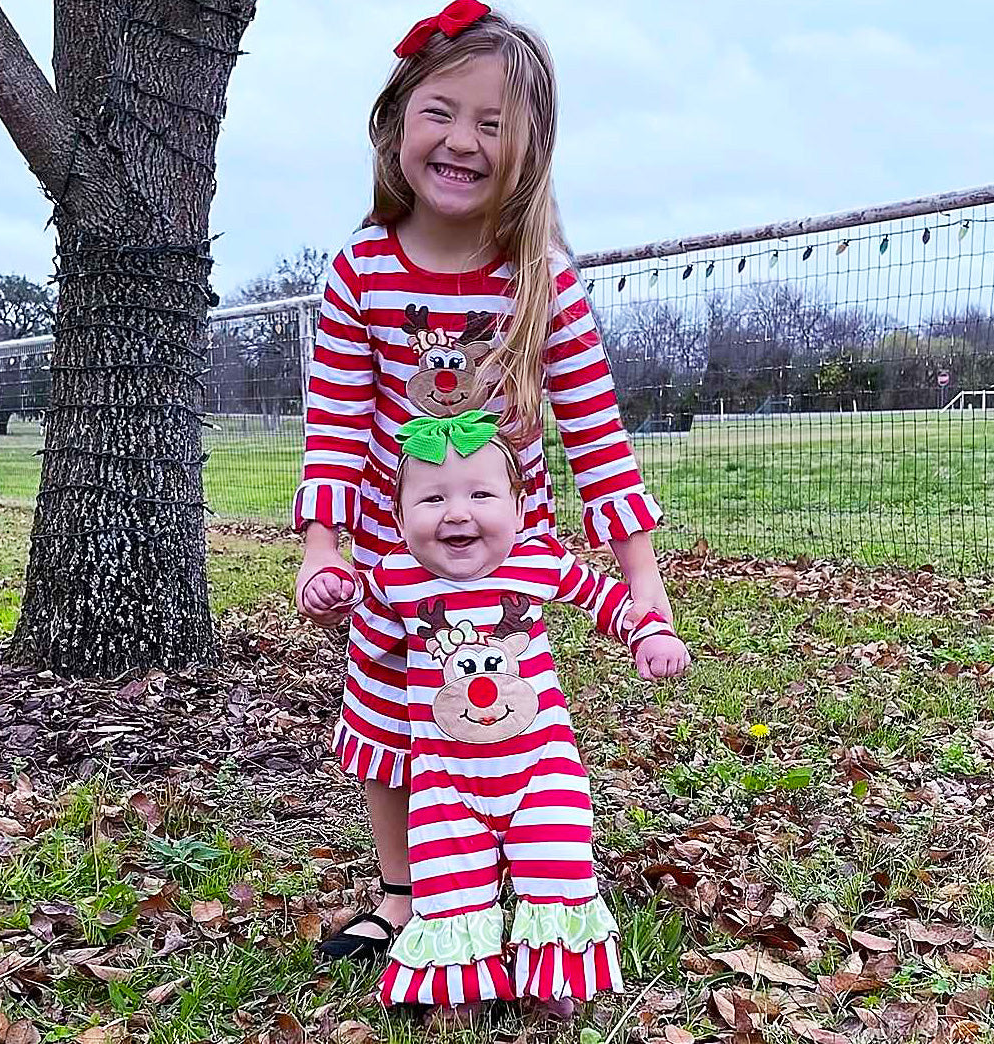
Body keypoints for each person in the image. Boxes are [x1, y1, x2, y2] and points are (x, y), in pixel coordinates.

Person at [294, 0, 675, 962]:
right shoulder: (359, 272)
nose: (461, 141)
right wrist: (323, 549)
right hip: (394, 556)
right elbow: (337, 424)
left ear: (526, 150)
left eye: (492, 124)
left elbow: (598, 438)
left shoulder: (542, 278)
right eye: (441, 112)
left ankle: (513, 877)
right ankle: (405, 892)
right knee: (384, 723)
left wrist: (646, 594)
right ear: (396, 121)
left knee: (497, 715)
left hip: (509, 557)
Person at [334, 411, 690, 1012]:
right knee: (450, 882)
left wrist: (648, 632)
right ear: (397, 520)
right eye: (431, 499)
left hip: (542, 768)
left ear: (520, 510)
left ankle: (554, 981)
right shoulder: (394, 578)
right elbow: (370, 656)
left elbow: (605, 598)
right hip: (443, 780)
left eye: (480, 493)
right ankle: (460, 980)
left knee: (557, 867)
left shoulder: (537, 560)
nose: (456, 512)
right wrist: (341, 597)